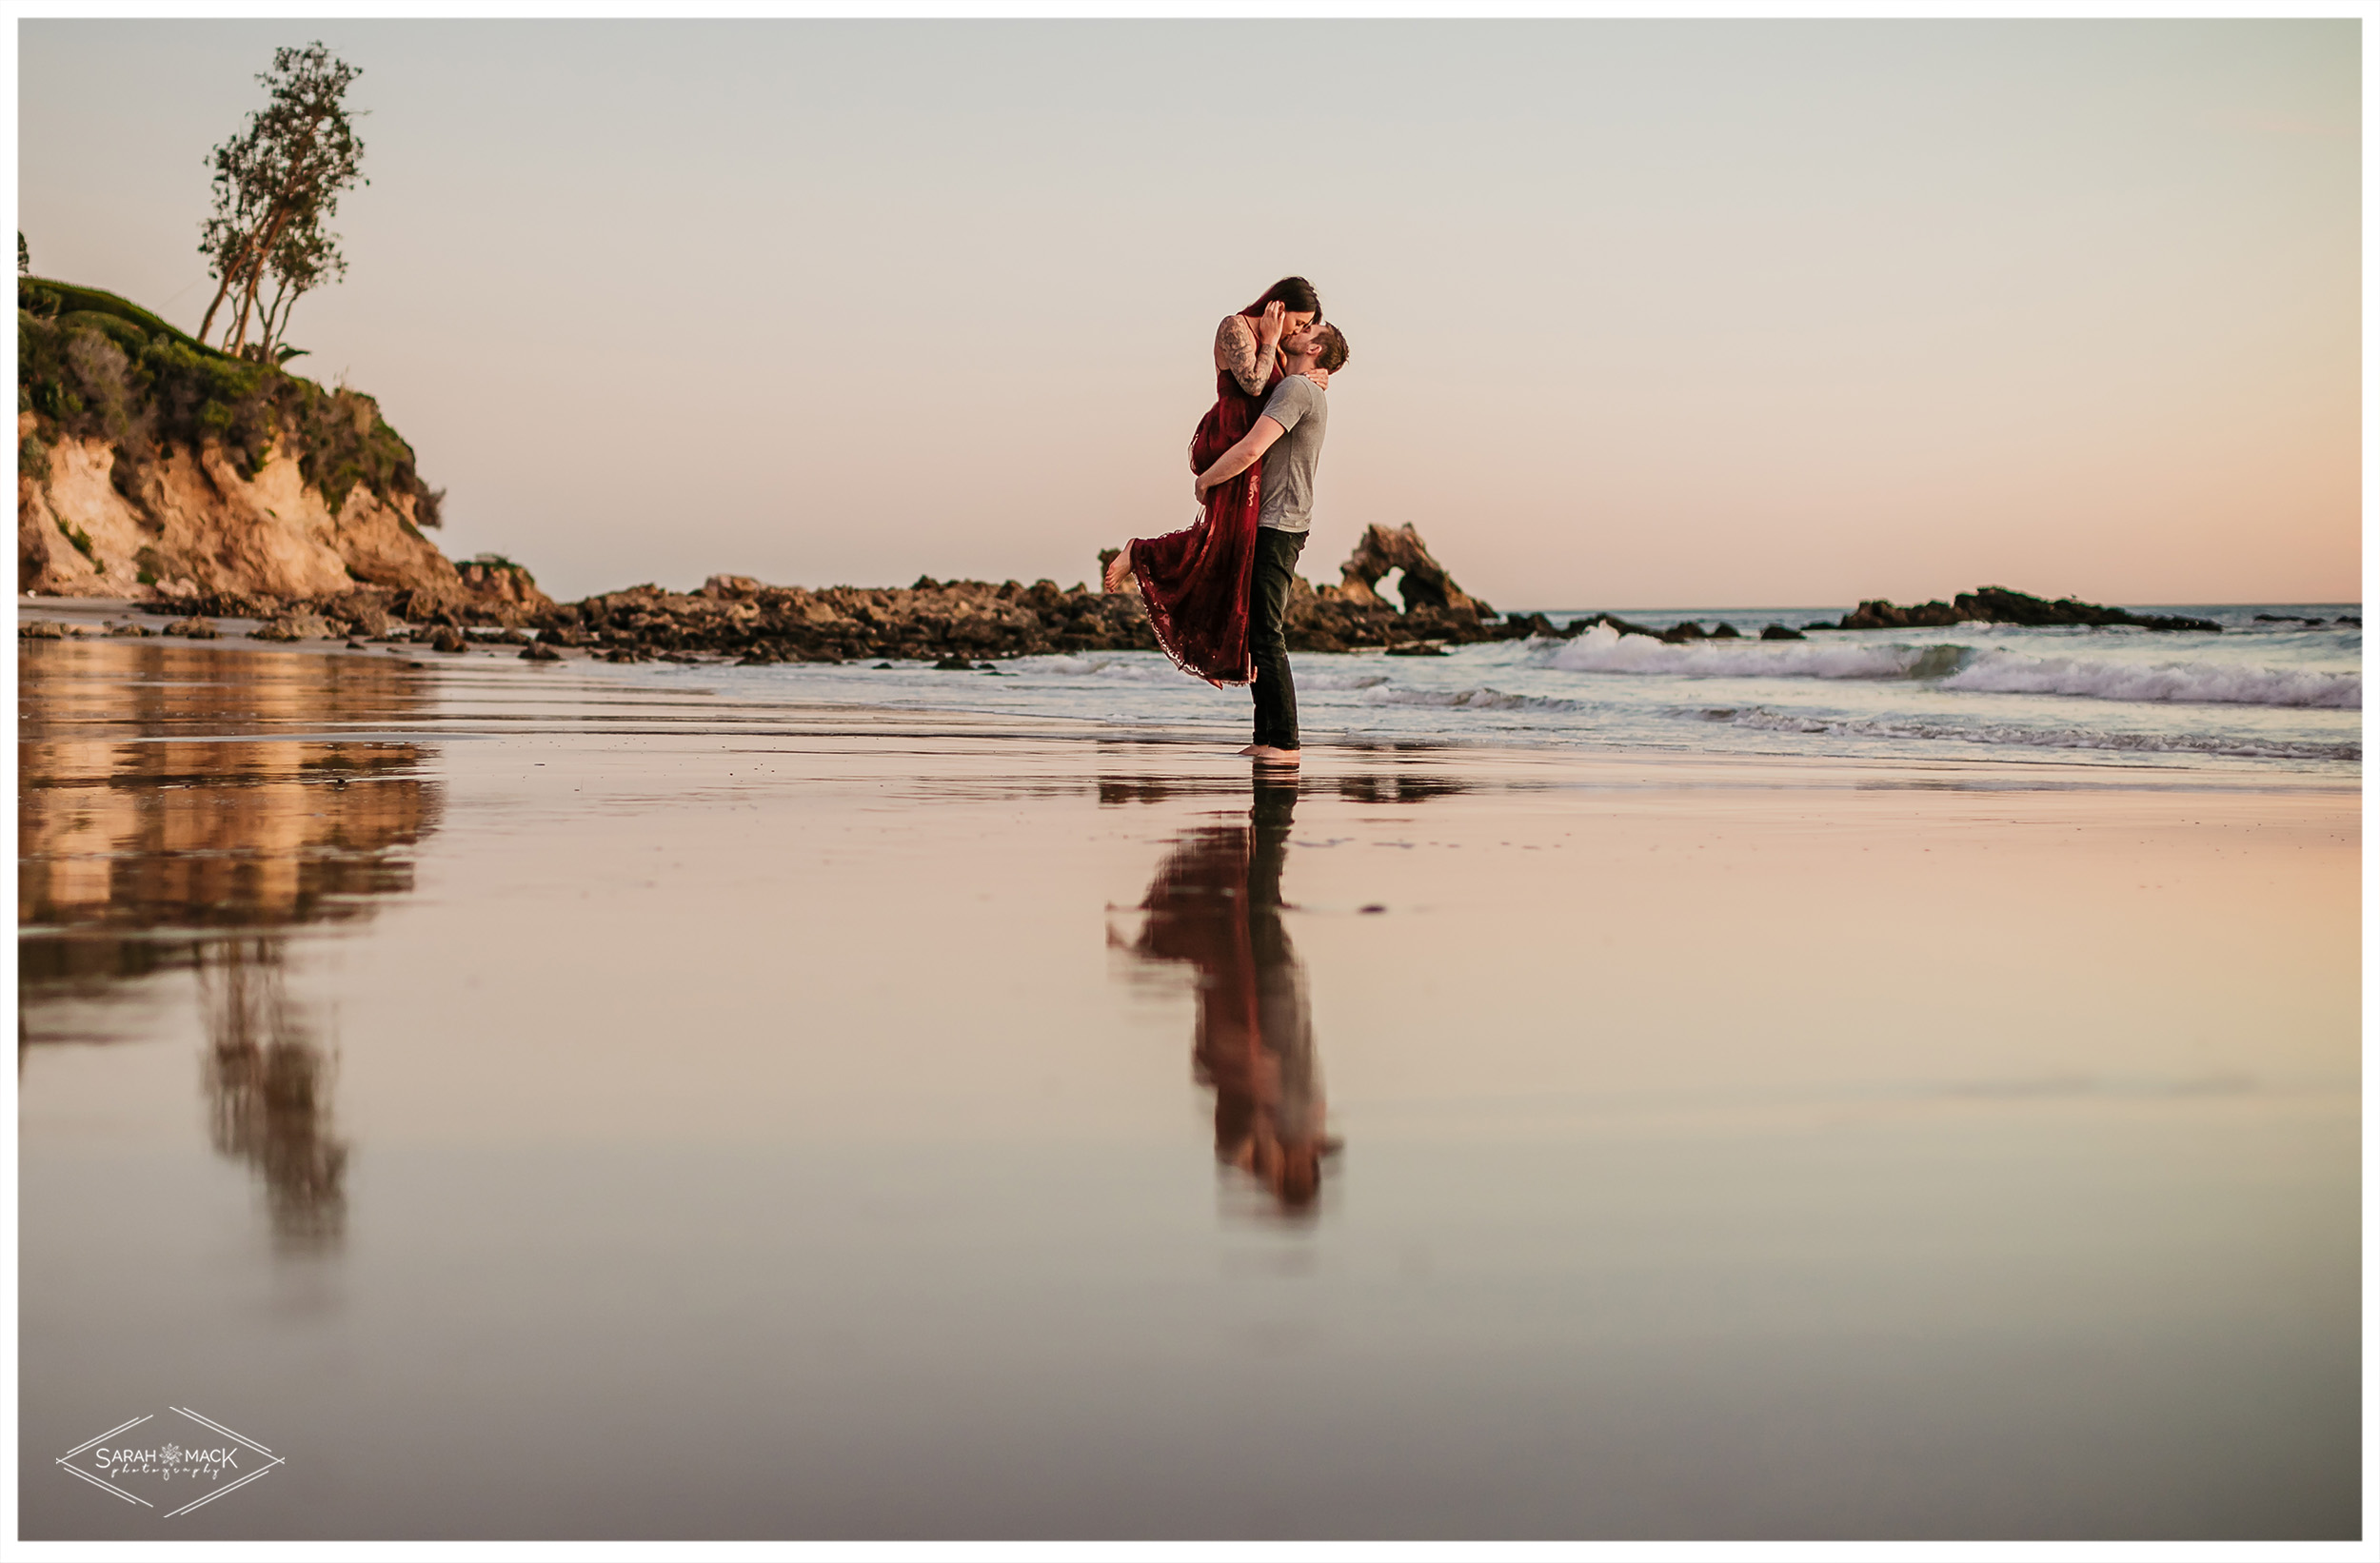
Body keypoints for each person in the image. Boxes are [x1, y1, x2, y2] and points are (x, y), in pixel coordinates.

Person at [1103, 278, 1329, 688]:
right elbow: (1255, 385)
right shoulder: (1235, 327)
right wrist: (1271, 340)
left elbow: (1285, 390)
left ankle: (1219, 653)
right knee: (1219, 542)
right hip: (1229, 441)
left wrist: (1315, 376)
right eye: (1301, 321)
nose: (1298, 330)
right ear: (1280, 305)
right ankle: (1139, 554)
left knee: (1231, 551)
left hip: (1251, 449)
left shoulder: (1278, 345)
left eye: (1305, 327)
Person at [1190, 318, 1350, 764]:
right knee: (1260, 631)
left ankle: (1283, 743)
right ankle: (1267, 737)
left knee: (1266, 633)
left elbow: (1251, 448)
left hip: (1278, 525)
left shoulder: (1298, 391)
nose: (1299, 328)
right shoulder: (1300, 386)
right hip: (1279, 522)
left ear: (1316, 350)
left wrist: (1207, 480)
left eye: (1309, 329)